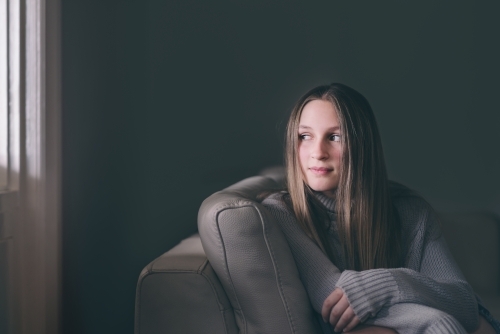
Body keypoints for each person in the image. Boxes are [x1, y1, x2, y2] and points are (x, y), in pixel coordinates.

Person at [261, 83, 500, 334]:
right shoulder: (282, 211)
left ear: (362, 146)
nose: (318, 152)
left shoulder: (410, 210)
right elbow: (334, 300)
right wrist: (434, 321)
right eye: (305, 136)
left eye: (335, 137)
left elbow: (463, 300)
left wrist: (389, 284)